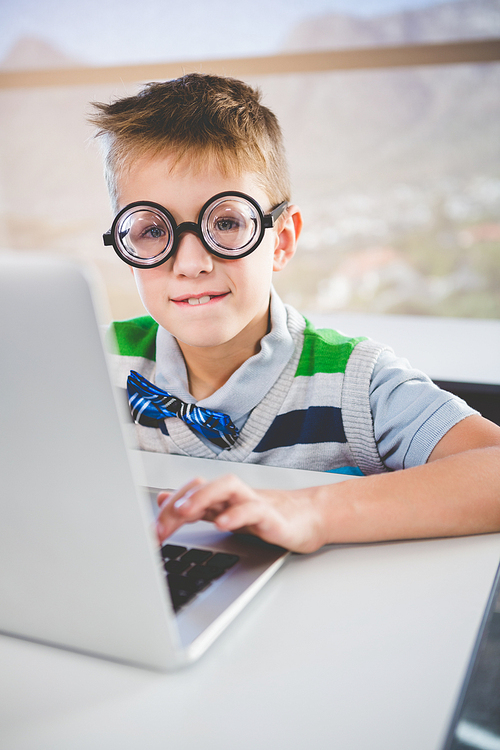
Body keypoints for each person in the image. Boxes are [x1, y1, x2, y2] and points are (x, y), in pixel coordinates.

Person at [89, 73, 500, 554]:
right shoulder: (92, 359)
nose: (191, 263)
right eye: (151, 231)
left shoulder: (353, 382)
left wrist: (311, 510)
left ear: (281, 240)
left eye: (225, 222)